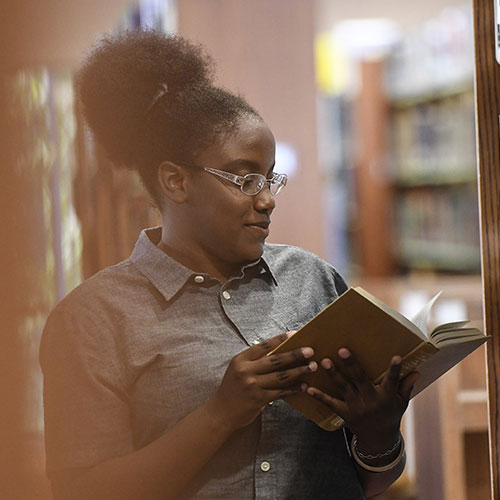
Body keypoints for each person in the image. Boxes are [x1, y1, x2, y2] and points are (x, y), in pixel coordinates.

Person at [40, 29, 418, 500]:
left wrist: (379, 432)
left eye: (271, 179)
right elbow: (81, 491)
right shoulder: (93, 320)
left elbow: (373, 479)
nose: (266, 200)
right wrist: (220, 413)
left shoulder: (313, 280)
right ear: (175, 182)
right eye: (245, 179)